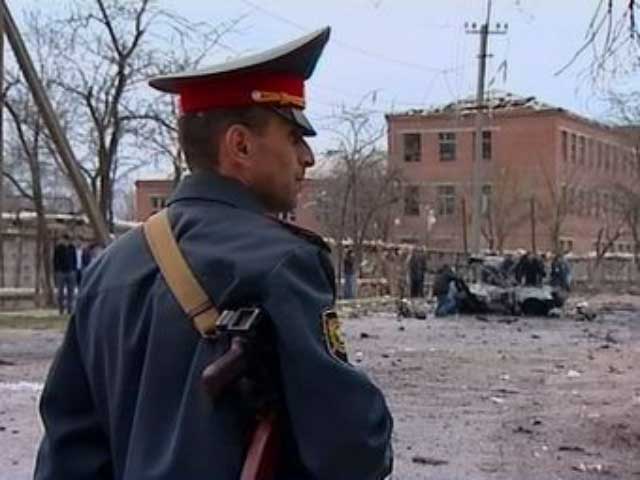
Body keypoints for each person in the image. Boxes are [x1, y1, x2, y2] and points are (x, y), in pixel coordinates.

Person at [34, 27, 393, 480]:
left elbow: (68, 454)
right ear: (240, 145)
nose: (307, 157)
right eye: (293, 136)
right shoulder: (283, 263)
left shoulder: (108, 269)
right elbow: (352, 450)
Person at [52, 234, 76, 314]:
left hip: (70, 271)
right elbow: (55, 260)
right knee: (60, 292)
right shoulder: (58, 248)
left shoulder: (72, 248)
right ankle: (61, 309)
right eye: (63, 240)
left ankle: (70, 309)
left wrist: (74, 269)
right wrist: (57, 271)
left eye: (66, 240)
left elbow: (74, 259)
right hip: (61, 272)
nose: (65, 242)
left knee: (71, 292)